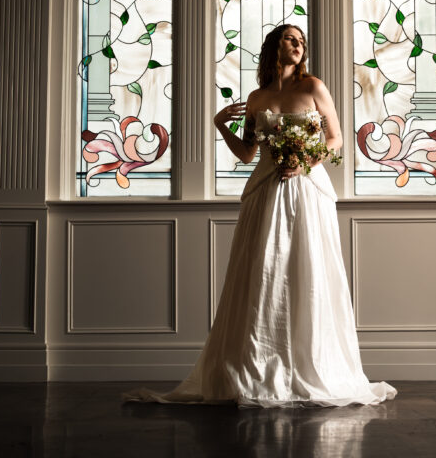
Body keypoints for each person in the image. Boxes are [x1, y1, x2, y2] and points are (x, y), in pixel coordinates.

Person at [123, 24, 397, 407]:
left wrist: (303, 164)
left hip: (306, 189)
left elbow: (335, 138)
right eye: (291, 39)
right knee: (262, 271)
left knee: (308, 267)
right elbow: (248, 154)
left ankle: (311, 362)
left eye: (302, 41)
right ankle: (254, 365)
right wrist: (220, 125)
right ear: (273, 46)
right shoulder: (256, 97)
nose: (299, 45)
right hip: (265, 189)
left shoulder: (313, 87)